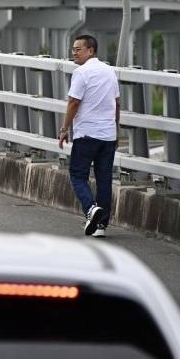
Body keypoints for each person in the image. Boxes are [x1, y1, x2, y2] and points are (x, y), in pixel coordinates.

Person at [58, 35, 119, 238]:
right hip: (108, 134)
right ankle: (100, 226)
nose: (74, 53)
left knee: (77, 175)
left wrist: (64, 129)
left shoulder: (81, 73)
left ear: (90, 51)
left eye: (78, 49)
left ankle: (91, 209)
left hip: (86, 134)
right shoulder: (110, 71)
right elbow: (117, 103)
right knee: (104, 180)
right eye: (73, 49)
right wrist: (116, 131)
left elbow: (73, 102)